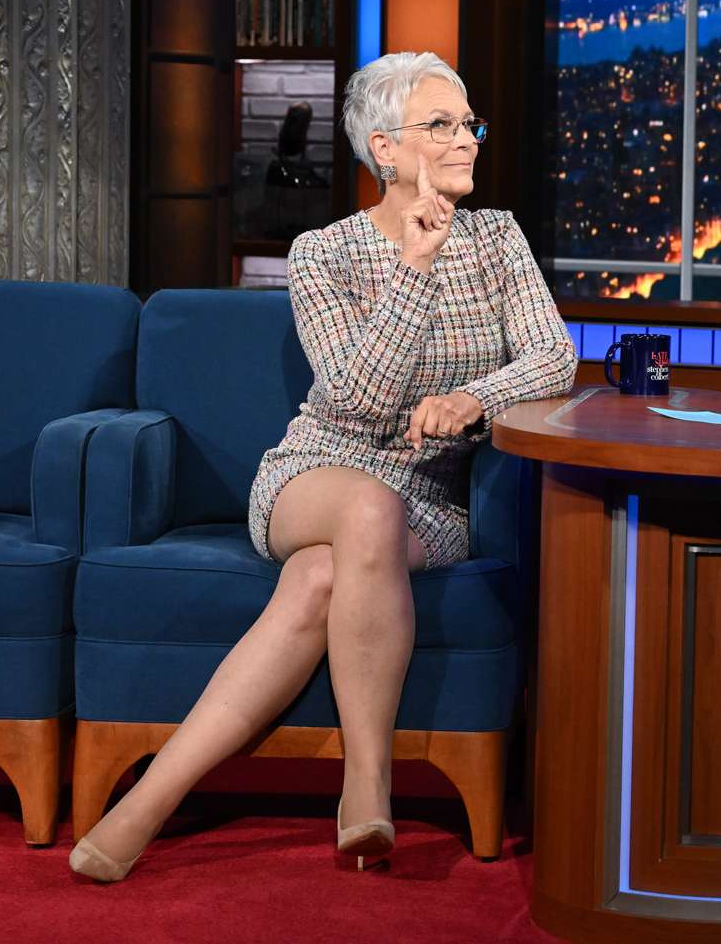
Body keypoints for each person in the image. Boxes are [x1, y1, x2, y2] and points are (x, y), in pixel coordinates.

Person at [69, 51, 577, 882]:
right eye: (441, 125)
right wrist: (414, 268)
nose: (466, 140)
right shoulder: (324, 253)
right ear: (385, 148)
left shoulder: (497, 237)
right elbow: (358, 398)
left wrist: (473, 399)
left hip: (431, 497)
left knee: (316, 580)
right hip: (318, 469)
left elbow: (554, 359)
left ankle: (147, 802)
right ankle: (367, 782)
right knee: (364, 507)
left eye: (468, 124)